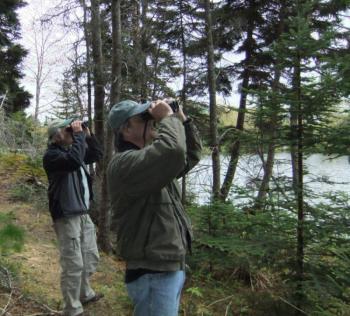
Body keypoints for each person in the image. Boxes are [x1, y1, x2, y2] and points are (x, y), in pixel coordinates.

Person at [107, 99, 202, 316]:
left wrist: (182, 120)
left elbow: (190, 154)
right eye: (143, 118)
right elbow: (174, 152)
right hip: (152, 272)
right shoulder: (124, 164)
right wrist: (167, 118)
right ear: (126, 129)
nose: (151, 121)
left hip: (166, 268)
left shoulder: (149, 162)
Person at [43, 118, 104, 316]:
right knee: (73, 264)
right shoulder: (52, 156)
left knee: (89, 257)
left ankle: (85, 293)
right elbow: (75, 161)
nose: (71, 132)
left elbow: (96, 154)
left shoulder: (71, 152)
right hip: (67, 215)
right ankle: (72, 309)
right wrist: (77, 137)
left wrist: (88, 135)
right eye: (67, 130)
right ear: (57, 135)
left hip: (83, 213)